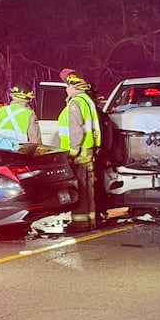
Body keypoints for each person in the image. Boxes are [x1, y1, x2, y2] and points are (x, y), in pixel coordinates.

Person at [58, 73, 101, 233]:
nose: (66, 89)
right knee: (89, 187)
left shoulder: (75, 103)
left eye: (68, 86)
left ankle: (80, 223)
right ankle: (91, 220)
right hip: (88, 151)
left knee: (80, 188)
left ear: (72, 87)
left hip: (79, 153)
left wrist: (72, 152)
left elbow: (76, 131)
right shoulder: (87, 101)